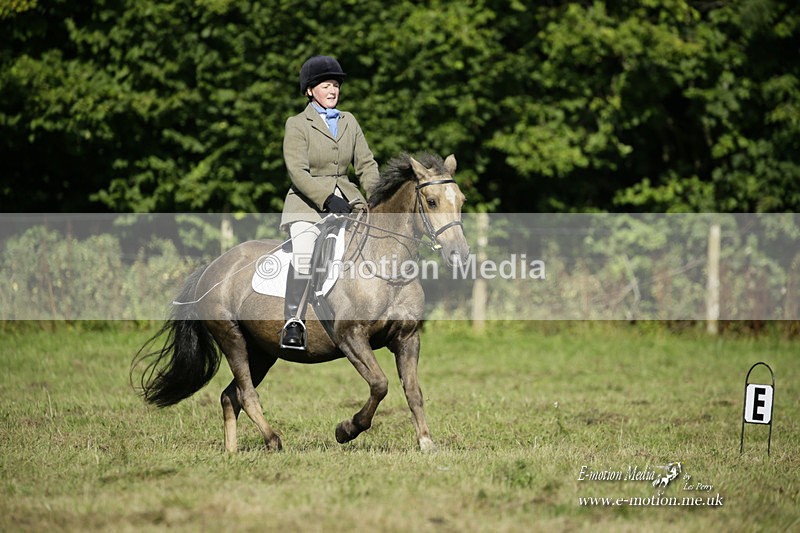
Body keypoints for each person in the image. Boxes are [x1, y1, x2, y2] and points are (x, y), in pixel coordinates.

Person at [279, 55, 380, 349]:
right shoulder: (297, 124)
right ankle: (293, 322)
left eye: (335, 85)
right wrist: (326, 199)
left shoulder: (349, 121)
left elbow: (366, 164)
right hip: (307, 206)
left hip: (349, 201)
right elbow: (297, 172)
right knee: (305, 252)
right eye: (326, 85)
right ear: (310, 90)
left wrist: (375, 196)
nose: (333, 90)